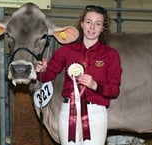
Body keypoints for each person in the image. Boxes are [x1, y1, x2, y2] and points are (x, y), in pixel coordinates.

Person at [36, 5, 122, 145]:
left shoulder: (111, 55)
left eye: (97, 24)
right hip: (68, 113)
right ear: (82, 24)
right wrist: (42, 69)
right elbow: (46, 77)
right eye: (88, 22)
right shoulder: (66, 51)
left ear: (102, 28)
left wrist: (95, 85)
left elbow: (114, 91)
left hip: (96, 114)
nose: (92, 27)